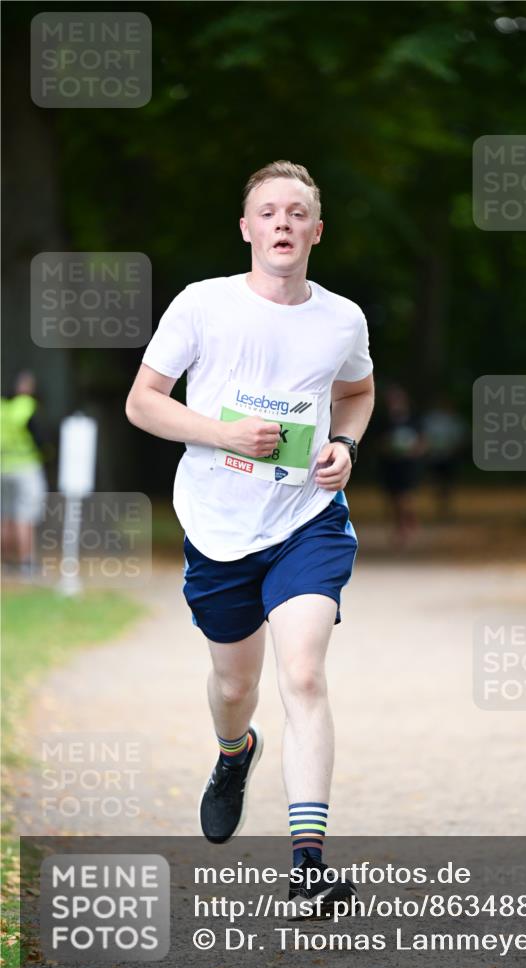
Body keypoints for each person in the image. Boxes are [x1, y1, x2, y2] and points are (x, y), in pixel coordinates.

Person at [126, 161, 374, 916]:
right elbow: (143, 403)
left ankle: (306, 863)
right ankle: (235, 753)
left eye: (297, 213)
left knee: (301, 674)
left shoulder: (341, 319)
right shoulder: (202, 305)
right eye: (268, 212)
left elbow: (356, 392)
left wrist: (345, 446)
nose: (282, 224)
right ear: (246, 228)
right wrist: (221, 432)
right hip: (217, 525)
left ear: (316, 231)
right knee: (236, 688)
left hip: (305, 522)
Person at [1, 371, 48, 576]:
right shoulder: (28, 407)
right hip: (26, 467)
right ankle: (26, 561)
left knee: (5, 516)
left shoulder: (3, 408)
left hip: (3, 468)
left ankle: (5, 562)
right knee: (25, 516)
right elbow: (41, 439)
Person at [376, 382, 423, 548]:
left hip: (408, 465)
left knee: (405, 498)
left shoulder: (415, 419)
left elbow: (423, 442)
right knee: (393, 500)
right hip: (390, 465)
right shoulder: (383, 420)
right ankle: (402, 524)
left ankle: (403, 529)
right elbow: (379, 443)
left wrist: (413, 451)